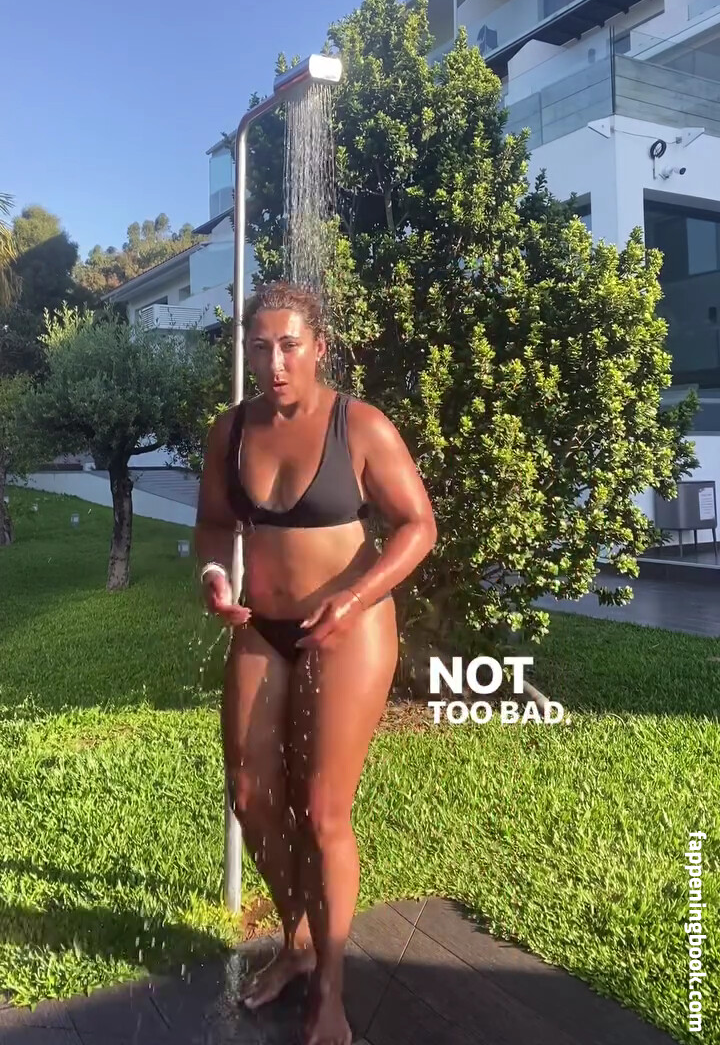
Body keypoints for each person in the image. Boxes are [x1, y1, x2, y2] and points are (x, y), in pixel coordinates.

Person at [194, 280, 437, 1045]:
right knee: (250, 795)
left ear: (319, 348)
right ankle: (297, 940)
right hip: (261, 626)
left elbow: (418, 526)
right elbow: (213, 525)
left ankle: (330, 988)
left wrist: (356, 598)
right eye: (259, 347)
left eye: (289, 346)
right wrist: (215, 575)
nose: (274, 363)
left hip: (349, 629)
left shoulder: (358, 425)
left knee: (326, 811)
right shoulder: (230, 432)